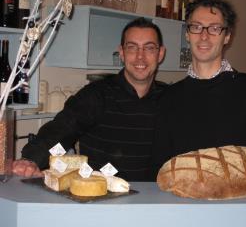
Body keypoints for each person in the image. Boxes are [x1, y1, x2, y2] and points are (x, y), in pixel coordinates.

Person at [154, 0, 246, 175]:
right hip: (183, 198)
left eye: (214, 28)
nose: (204, 36)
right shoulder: (168, 97)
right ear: (187, 34)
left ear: (227, 36)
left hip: (238, 198)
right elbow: (160, 165)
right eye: (196, 27)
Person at [13, 17, 167, 181]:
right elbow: (62, 130)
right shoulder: (96, 94)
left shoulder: (171, 98)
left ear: (160, 54)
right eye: (132, 48)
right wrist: (31, 159)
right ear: (121, 53)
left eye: (149, 48)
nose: (140, 57)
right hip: (102, 198)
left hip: (156, 198)